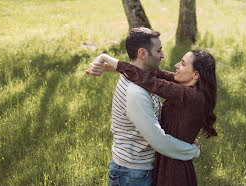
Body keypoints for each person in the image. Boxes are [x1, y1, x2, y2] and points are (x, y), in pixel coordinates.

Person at [87, 44, 217, 185]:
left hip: (174, 171)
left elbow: (150, 81)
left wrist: (105, 57)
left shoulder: (191, 95)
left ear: (196, 74)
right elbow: (153, 73)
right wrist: (109, 67)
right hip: (167, 160)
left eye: (183, 64)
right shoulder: (187, 87)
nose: (176, 65)